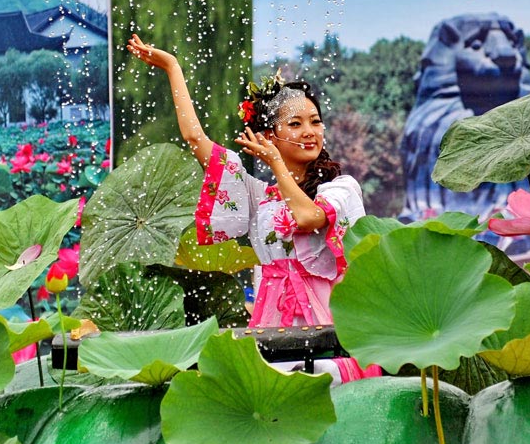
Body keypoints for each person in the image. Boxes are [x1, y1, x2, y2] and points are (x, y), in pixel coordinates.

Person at [127, 34, 381, 381]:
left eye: (315, 121)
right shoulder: (257, 197)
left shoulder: (341, 189)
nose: (310, 131)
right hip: (271, 327)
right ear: (267, 135)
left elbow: (307, 217)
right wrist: (173, 67)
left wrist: (276, 162)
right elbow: (196, 139)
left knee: (318, 387)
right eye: (295, 123)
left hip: (331, 331)